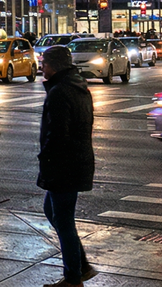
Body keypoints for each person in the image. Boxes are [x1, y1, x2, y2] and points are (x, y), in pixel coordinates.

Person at [37, 45, 96, 287]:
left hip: (63, 165)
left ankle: (74, 277)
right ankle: (80, 266)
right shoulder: (78, 87)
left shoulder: (60, 92)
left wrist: (46, 158)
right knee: (54, 213)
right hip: (76, 161)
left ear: (53, 65)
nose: (42, 67)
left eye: (44, 63)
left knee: (63, 221)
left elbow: (57, 133)